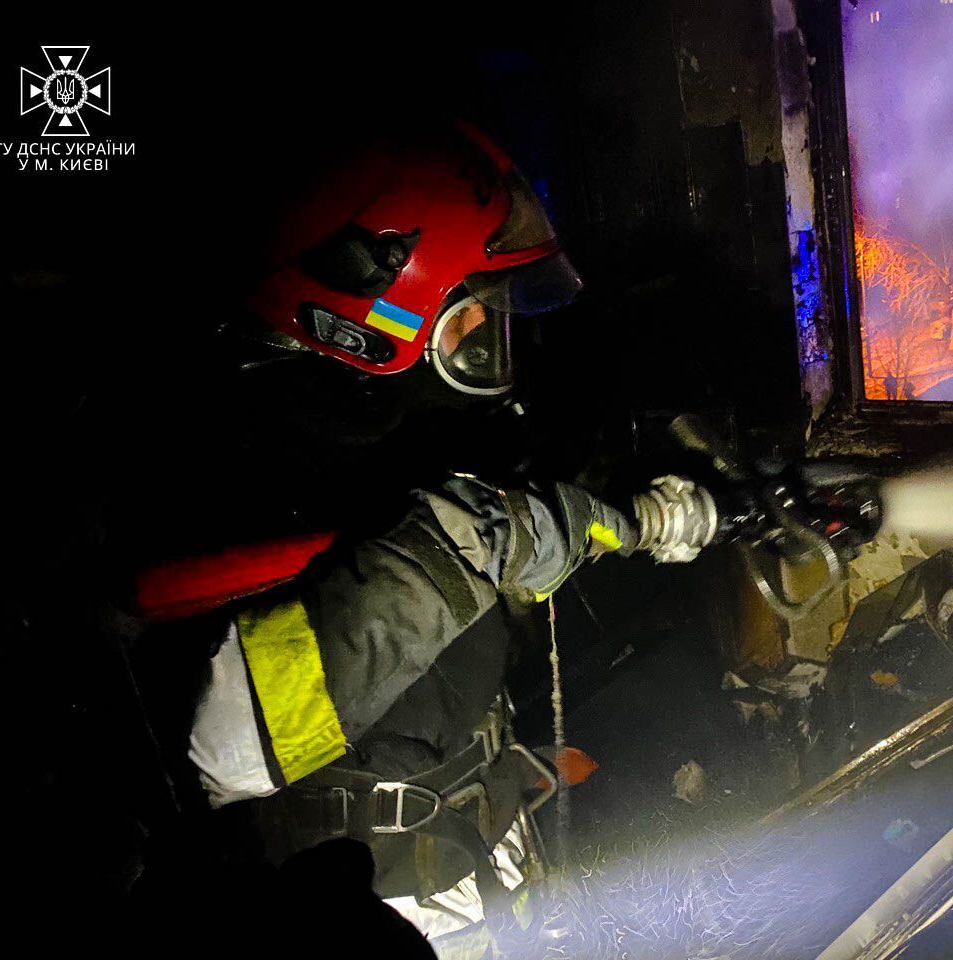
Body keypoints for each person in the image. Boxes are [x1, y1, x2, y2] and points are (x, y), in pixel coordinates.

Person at [147, 119, 721, 949]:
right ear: (366, 316)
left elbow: (501, 540)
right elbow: (219, 748)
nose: (492, 345)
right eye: (470, 323)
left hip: (482, 886)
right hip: (368, 915)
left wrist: (660, 513)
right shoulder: (226, 465)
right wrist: (469, 545)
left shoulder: (396, 450)